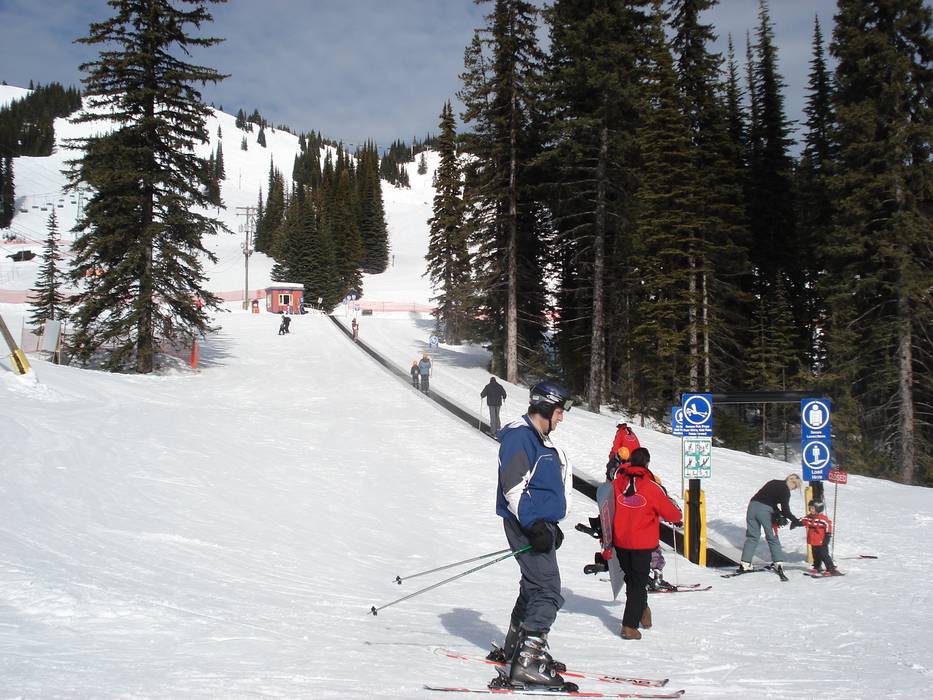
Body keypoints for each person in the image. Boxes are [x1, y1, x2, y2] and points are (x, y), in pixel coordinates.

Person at [488, 380, 576, 691]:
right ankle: (528, 660)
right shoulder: (520, 437)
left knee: (532, 585)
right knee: (547, 588)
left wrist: (550, 522)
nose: (562, 417)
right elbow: (513, 487)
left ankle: (516, 647)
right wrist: (535, 524)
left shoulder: (536, 438)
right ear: (545, 407)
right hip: (525, 523)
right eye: (559, 410)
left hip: (536, 522)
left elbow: (538, 486)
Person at [611, 447, 683, 640]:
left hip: (620, 541)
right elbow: (673, 514)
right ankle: (629, 626)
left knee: (632, 579)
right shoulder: (652, 487)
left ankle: (643, 611)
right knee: (637, 583)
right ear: (647, 463)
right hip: (642, 543)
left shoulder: (617, 483)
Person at [736, 474, 803, 575]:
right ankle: (778, 563)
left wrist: (777, 511)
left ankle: (745, 564)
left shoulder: (773, 482)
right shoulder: (785, 490)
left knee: (752, 536)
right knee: (772, 537)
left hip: (752, 507)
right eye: (795, 487)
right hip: (765, 511)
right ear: (793, 483)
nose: (793, 489)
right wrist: (795, 521)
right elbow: (785, 510)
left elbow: (767, 498)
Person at [800, 500, 842, 576]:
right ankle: (817, 566)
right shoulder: (809, 517)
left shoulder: (822, 518)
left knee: (824, 554)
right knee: (815, 554)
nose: (811, 510)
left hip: (822, 540)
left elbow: (828, 525)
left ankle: (831, 569)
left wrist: (828, 536)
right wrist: (796, 523)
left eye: (813, 508)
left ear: (818, 509)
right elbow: (803, 521)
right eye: (810, 508)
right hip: (813, 540)